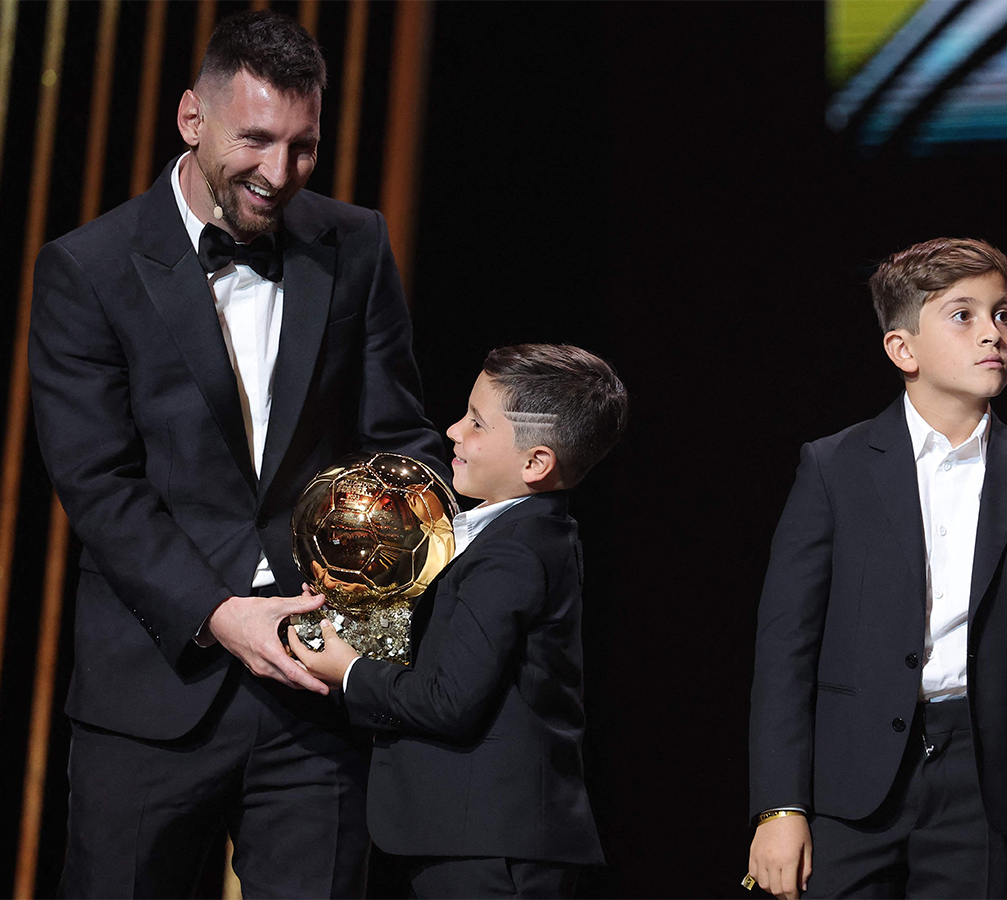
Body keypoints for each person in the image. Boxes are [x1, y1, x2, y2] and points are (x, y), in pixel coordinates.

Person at [28, 10, 446, 897]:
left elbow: (400, 442)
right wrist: (219, 612)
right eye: (254, 139)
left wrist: (372, 618)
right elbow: (99, 487)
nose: (279, 172)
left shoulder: (355, 243)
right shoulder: (87, 268)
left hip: (317, 698)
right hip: (154, 696)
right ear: (191, 118)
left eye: (303, 147)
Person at [746, 238, 1007, 898]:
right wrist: (780, 806)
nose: (993, 334)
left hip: (981, 785)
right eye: (963, 315)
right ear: (903, 349)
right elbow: (786, 648)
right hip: (850, 779)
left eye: (1003, 315)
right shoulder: (834, 468)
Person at [289, 343, 626, 899]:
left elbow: (448, 700)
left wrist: (349, 670)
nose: (451, 431)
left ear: (535, 463)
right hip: (475, 837)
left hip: (493, 846)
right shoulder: (516, 537)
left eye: (476, 423)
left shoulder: (514, 554)